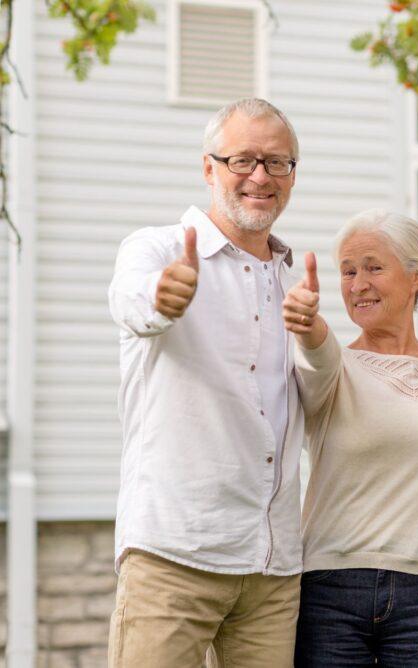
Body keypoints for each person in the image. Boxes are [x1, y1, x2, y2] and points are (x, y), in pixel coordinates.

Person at [107, 98, 303, 666]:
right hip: (175, 554)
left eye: (277, 162)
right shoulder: (158, 250)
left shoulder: (293, 279)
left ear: (293, 175)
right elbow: (131, 300)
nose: (260, 176)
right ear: (208, 167)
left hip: (272, 569)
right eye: (242, 159)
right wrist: (161, 299)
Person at [285, 209, 418, 666]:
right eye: (348, 271)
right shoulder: (335, 368)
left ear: (416, 276)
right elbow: (316, 357)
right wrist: (308, 327)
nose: (358, 284)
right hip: (331, 589)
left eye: (374, 267)